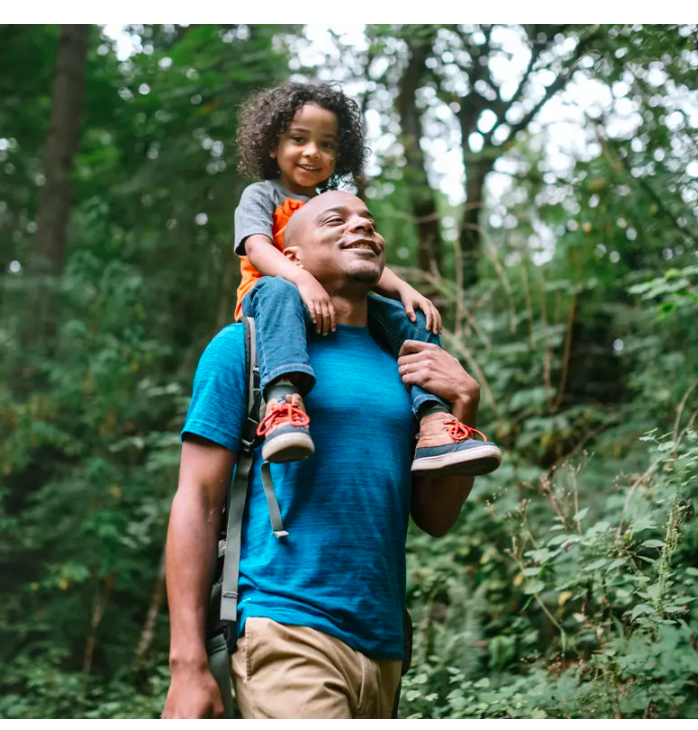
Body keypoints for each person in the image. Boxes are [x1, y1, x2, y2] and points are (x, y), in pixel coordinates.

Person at [162, 191, 493, 719]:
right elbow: (196, 501)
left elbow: (435, 518)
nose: (362, 227)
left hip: (385, 647)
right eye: (336, 219)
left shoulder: (408, 363)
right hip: (283, 627)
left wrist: (463, 405)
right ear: (289, 258)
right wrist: (187, 664)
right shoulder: (242, 348)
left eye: (369, 221)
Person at [233, 81, 500, 476]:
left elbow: (361, 259)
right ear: (272, 146)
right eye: (298, 139)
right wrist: (302, 280)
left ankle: (433, 421)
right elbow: (257, 248)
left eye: (326, 144)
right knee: (277, 289)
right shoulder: (262, 195)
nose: (312, 152)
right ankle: (283, 402)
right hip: (274, 302)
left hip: (335, 304)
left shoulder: (334, 201)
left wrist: (405, 289)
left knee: (411, 318)